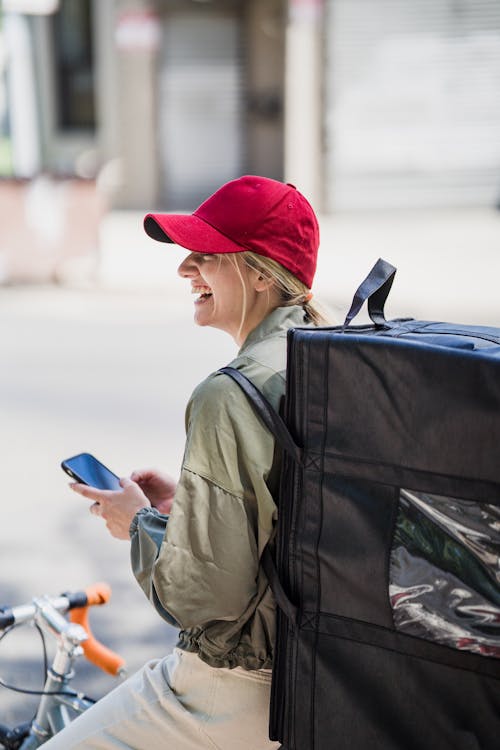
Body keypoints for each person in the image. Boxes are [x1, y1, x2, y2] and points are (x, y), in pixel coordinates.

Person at [44, 175, 325, 749]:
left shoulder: (231, 393)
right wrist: (191, 506)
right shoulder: (324, 352)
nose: (184, 269)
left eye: (206, 254)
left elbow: (202, 597)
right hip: (315, 680)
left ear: (258, 271)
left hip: (230, 693)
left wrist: (138, 525)